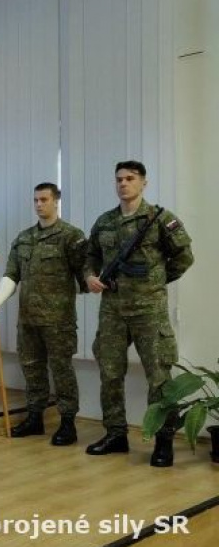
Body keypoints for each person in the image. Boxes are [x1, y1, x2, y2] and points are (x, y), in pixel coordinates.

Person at [83, 160, 193, 467]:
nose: (123, 184)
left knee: (159, 378)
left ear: (144, 182)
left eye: (130, 178)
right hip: (112, 309)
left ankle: (163, 440)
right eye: (119, 179)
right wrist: (90, 276)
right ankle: (115, 434)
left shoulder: (161, 219)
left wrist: (156, 281)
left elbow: (184, 257)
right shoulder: (105, 221)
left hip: (149, 310)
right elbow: (90, 256)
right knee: (110, 373)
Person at [0, 183, 87, 445]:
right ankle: (35, 418)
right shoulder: (24, 238)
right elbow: (12, 275)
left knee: (62, 370)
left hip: (58, 321)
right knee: (31, 369)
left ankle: (68, 423)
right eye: (36, 200)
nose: (39, 204)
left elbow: (85, 278)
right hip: (28, 319)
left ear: (56, 201)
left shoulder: (71, 236)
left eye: (44, 199)